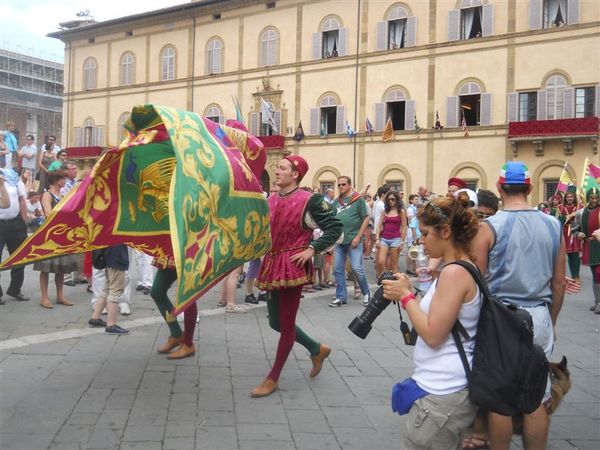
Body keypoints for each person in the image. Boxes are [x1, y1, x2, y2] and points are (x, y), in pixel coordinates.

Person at [472, 162, 565, 450]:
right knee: (538, 394)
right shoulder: (553, 224)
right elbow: (559, 283)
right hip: (538, 313)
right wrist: (550, 320)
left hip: (502, 319)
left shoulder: (489, 227)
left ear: (499, 188)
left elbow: (478, 282)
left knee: (500, 397)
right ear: (530, 188)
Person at [381, 192, 482, 450]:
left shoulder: (455, 273)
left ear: (445, 232)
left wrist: (405, 297)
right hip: (443, 385)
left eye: (426, 233)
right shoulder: (457, 267)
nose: (421, 240)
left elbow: (433, 334)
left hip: (444, 392)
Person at [252, 156, 342, 398]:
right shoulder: (271, 199)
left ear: (295, 174)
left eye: (282, 168)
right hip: (272, 262)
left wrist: (312, 248)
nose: (277, 171)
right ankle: (316, 349)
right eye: (277, 168)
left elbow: (335, 227)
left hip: (293, 263)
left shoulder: (310, 200)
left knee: (286, 323)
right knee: (274, 322)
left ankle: (273, 378)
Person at [33, 171, 79, 309]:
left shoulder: (63, 195)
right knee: (45, 267)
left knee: (62, 267)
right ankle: (44, 297)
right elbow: (48, 214)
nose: (64, 180)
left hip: (62, 234)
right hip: (49, 236)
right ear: (55, 179)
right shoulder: (47, 195)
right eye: (62, 178)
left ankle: (60, 295)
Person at [330, 175, 372, 307]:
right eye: (339, 185)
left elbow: (366, 218)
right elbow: (331, 219)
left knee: (357, 268)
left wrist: (358, 236)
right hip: (339, 241)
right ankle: (341, 296)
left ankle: (366, 292)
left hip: (354, 240)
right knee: (337, 269)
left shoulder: (358, 200)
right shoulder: (336, 202)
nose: (341, 187)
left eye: (343, 184)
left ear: (349, 185)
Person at [149, 259, 198, 359]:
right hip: (170, 252)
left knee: (188, 294)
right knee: (157, 292)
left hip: (189, 252)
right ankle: (176, 334)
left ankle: (188, 344)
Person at [0, 168, 30, 304]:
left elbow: (21, 199)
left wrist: (24, 220)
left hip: (16, 222)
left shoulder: (11, 175)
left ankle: (15, 289)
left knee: (20, 257)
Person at [88, 244, 131, 334]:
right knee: (116, 289)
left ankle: (95, 317)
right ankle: (111, 325)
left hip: (109, 254)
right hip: (117, 256)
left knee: (107, 288)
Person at [576, 188, 600, 314]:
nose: (595, 200)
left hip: (599, 243)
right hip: (589, 245)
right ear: (588, 198)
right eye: (592, 198)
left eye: (597, 198)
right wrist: (578, 233)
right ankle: (597, 300)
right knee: (595, 274)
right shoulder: (581, 212)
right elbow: (574, 229)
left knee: (599, 272)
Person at [375, 190, 407, 276]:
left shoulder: (401, 212)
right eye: (388, 199)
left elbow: (404, 227)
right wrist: (377, 238)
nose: (390, 201)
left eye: (393, 199)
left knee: (394, 266)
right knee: (381, 261)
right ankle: (387, 277)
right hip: (384, 238)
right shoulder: (385, 211)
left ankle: (396, 283)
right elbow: (378, 225)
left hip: (396, 239)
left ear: (397, 200)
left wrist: (402, 242)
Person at [559, 187, 582, 284]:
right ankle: (573, 275)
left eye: (571, 197)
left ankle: (576, 276)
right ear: (565, 198)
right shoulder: (560, 208)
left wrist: (575, 215)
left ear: (574, 198)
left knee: (575, 254)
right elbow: (558, 221)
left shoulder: (579, 207)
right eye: (568, 197)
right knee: (569, 255)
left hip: (575, 231)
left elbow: (583, 220)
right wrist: (565, 218)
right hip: (565, 232)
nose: (569, 198)